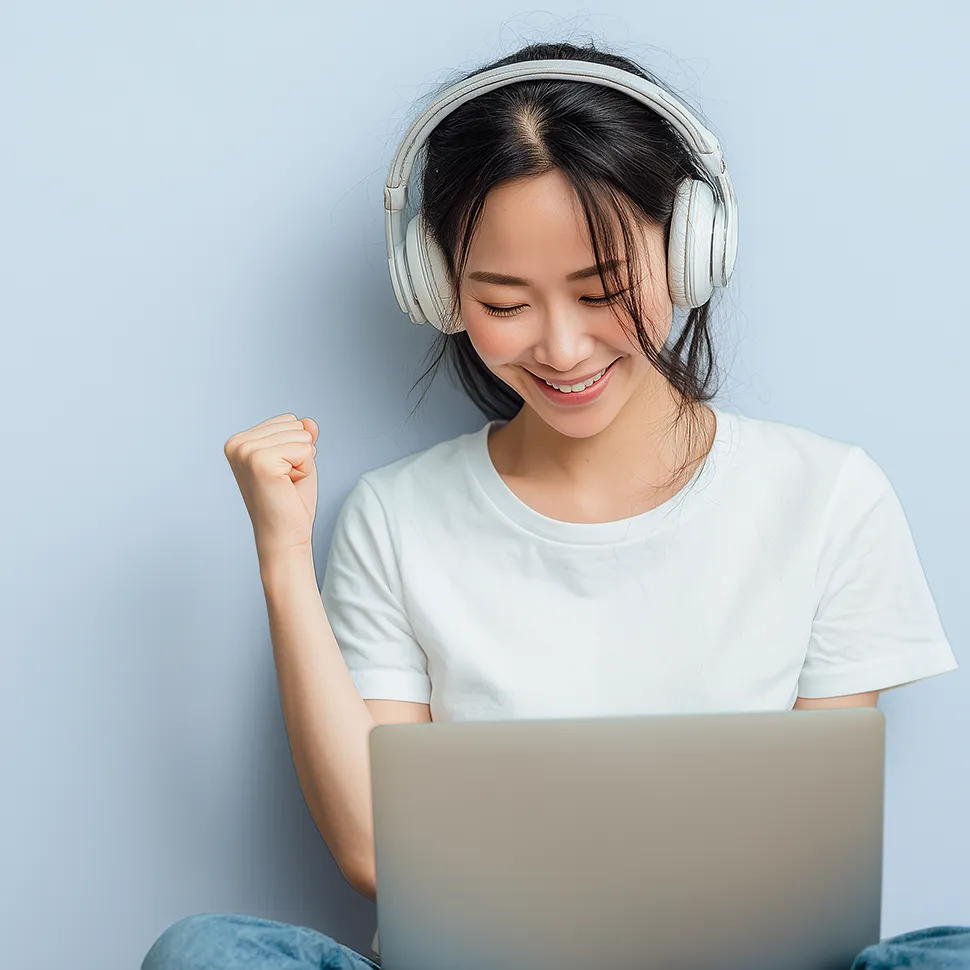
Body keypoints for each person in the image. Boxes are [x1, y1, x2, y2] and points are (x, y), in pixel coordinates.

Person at [141, 38, 964, 970]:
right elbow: (375, 850)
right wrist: (283, 561)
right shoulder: (396, 516)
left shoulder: (829, 496)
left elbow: (813, 862)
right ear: (437, 290)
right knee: (206, 952)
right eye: (505, 303)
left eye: (602, 291)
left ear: (694, 253)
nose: (564, 349)